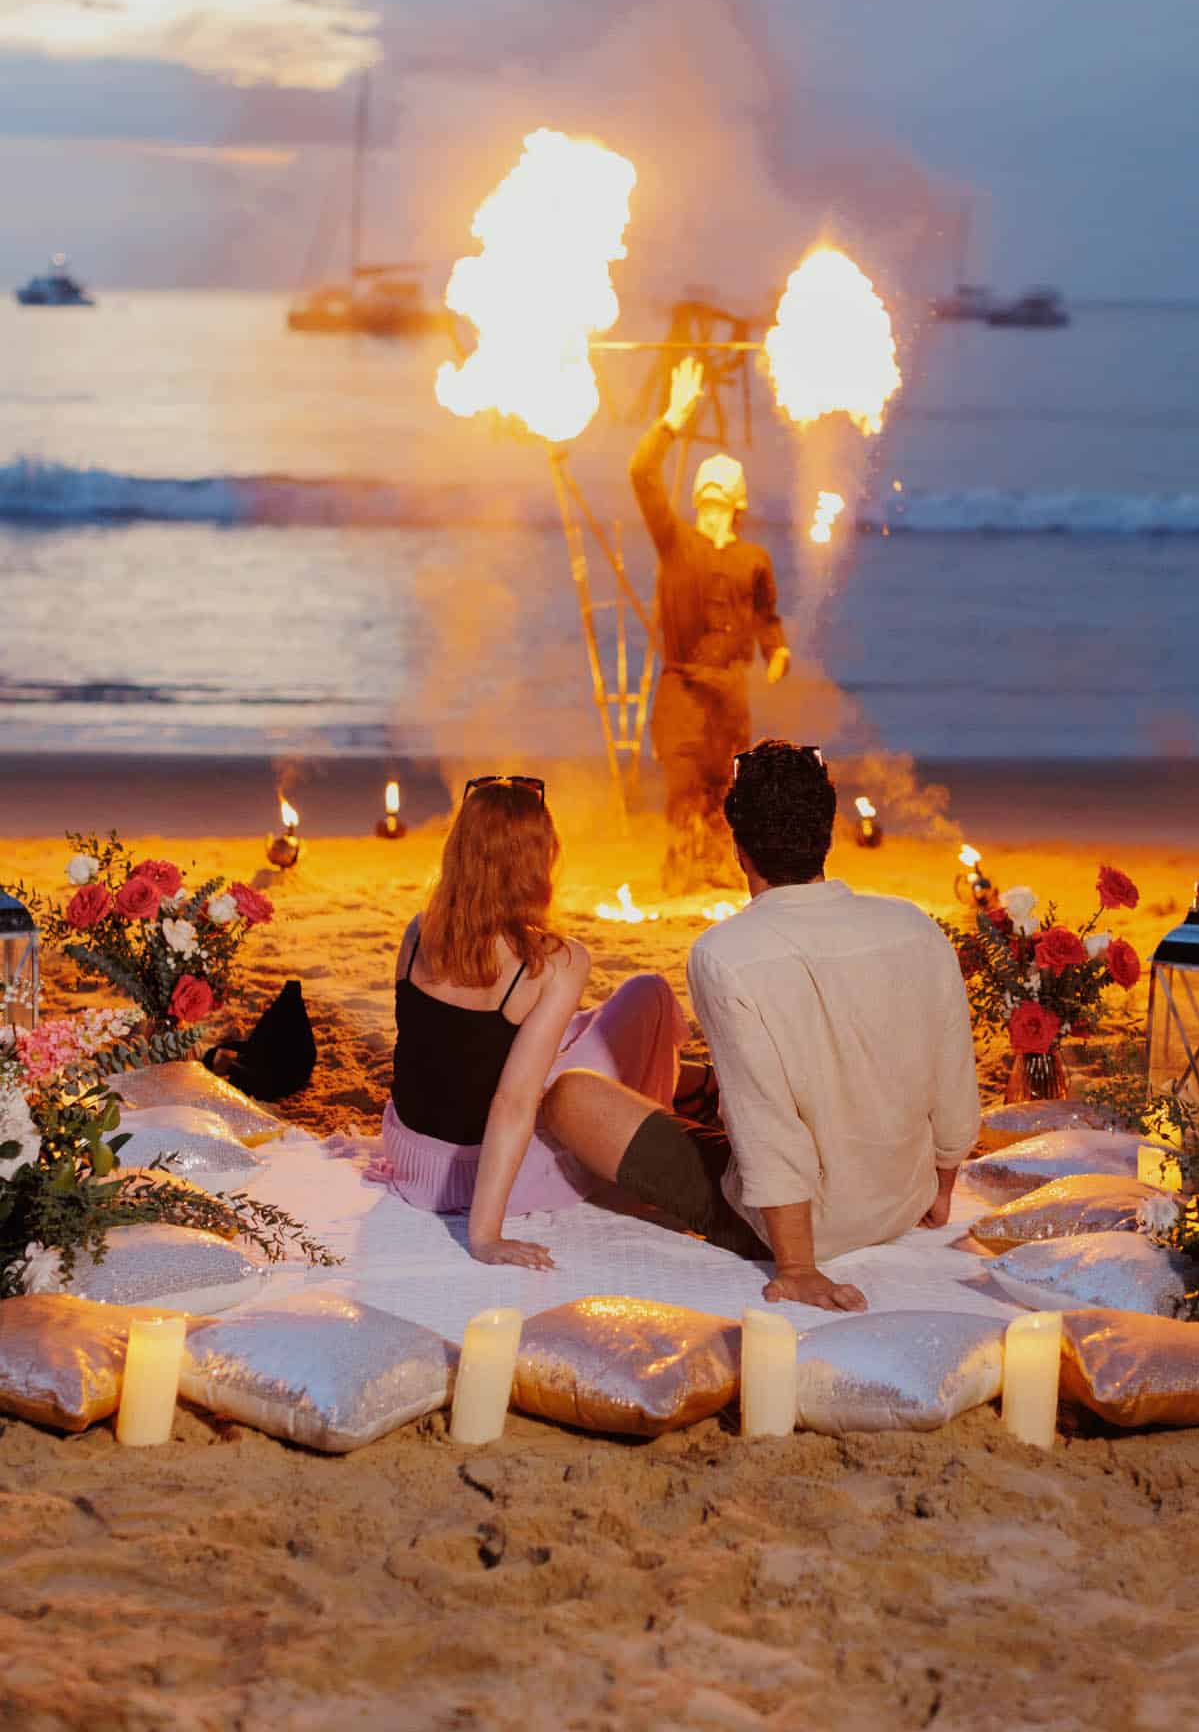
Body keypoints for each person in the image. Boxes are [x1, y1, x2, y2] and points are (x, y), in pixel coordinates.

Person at [542, 740, 981, 1311]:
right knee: (707, 1079)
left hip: (805, 1227)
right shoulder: (913, 925)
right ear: (828, 832)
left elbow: (765, 1124)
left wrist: (798, 1267)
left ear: (738, 848)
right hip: (904, 1198)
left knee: (571, 1098)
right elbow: (955, 1081)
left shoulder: (725, 952)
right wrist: (938, 1193)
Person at [367, 775, 685, 1267]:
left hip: (410, 1156)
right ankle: (641, 1147)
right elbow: (512, 1103)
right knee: (649, 994)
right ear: (539, 858)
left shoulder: (419, 928)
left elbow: (435, 1051)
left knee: (565, 1029)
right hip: (481, 1177)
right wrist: (485, 1236)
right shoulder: (556, 960)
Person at [630, 355, 789, 892]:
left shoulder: (753, 558)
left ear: (737, 501)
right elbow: (641, 475)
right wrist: (673, 419)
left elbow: (766, 613)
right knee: (681, 779)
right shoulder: (676, 544)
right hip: (682, 687)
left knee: (727, 784)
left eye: (723, 492)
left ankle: (720, 866)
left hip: (730, 691)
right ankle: (681, 864)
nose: (714, 500)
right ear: (698, 496)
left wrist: (778, 652)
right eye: (708, 491)